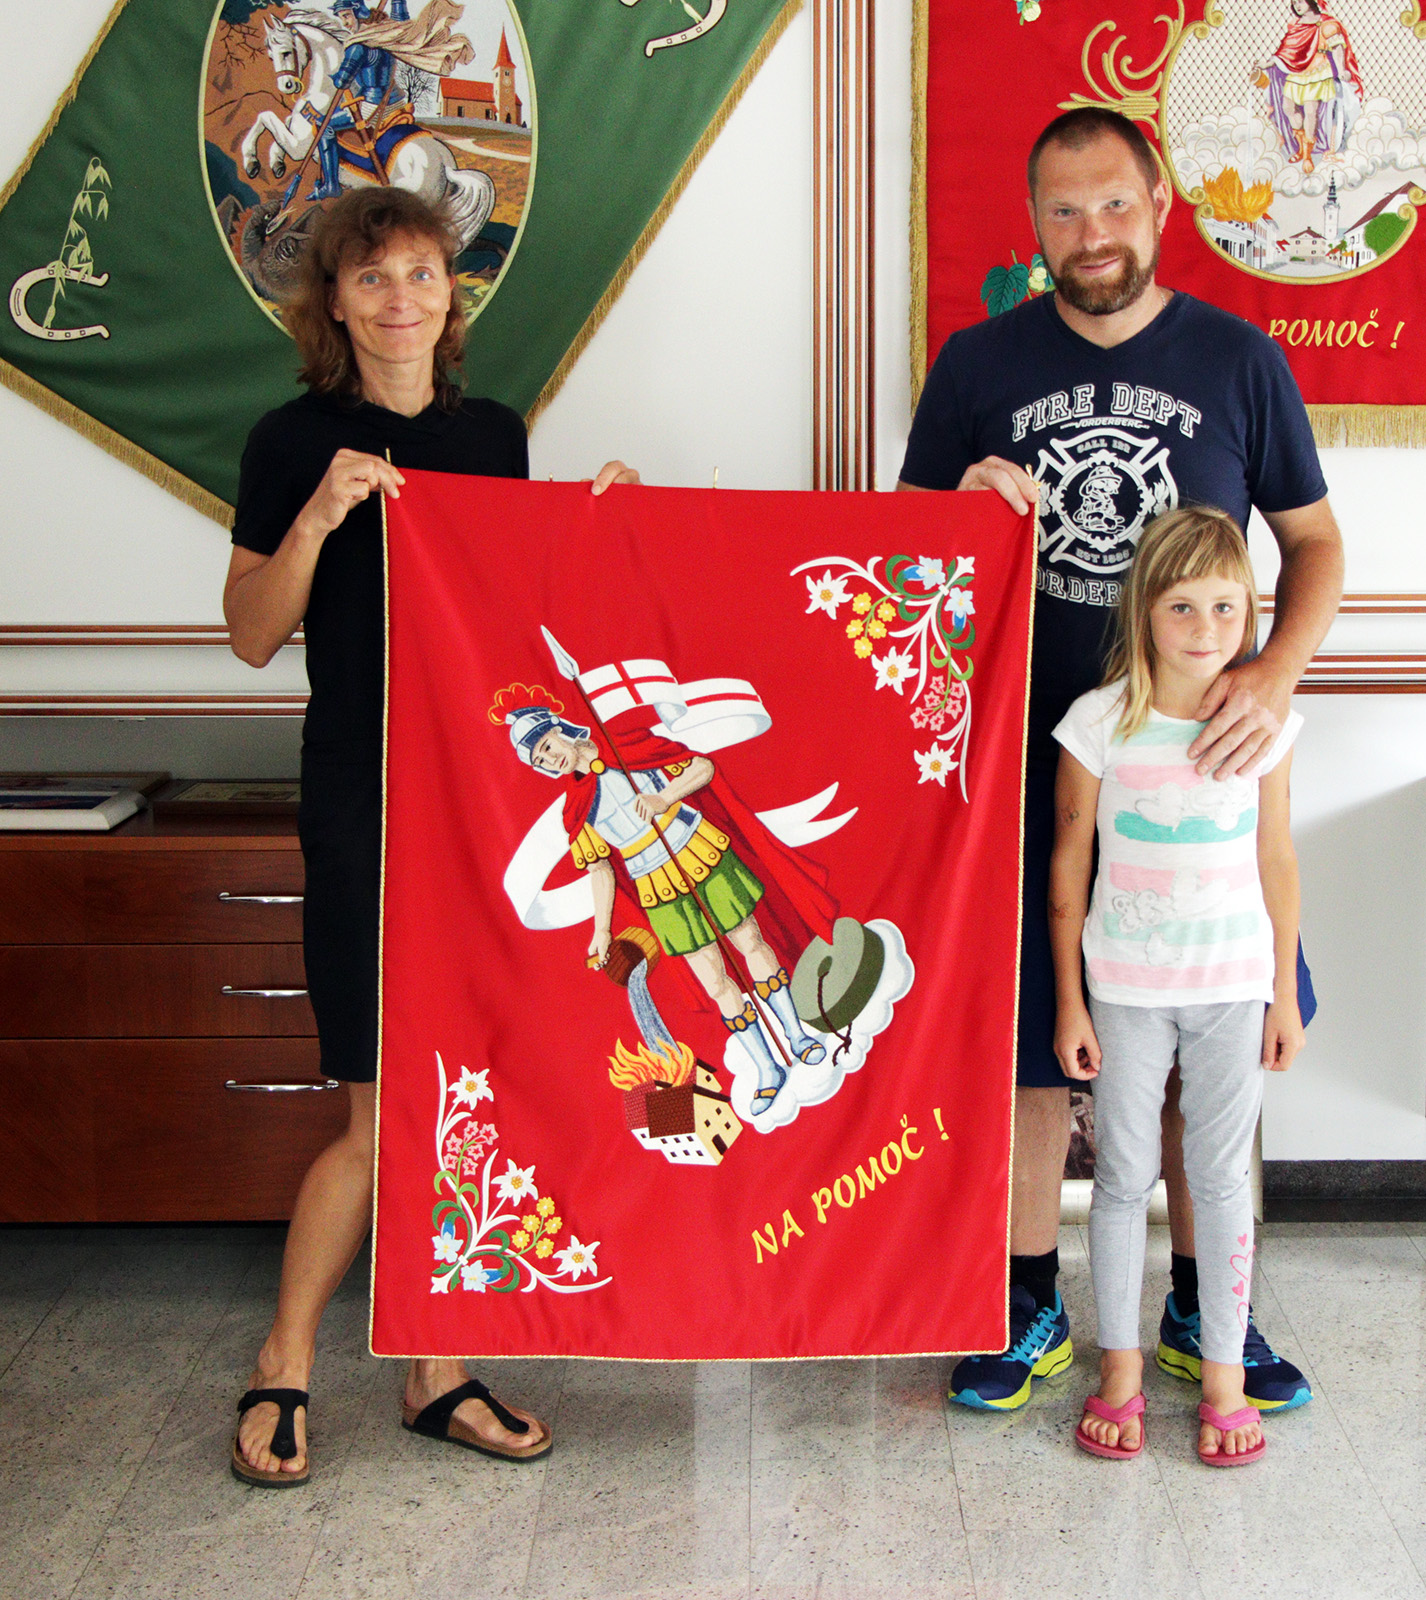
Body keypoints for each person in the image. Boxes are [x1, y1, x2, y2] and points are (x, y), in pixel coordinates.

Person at [898, 105, 1343, 1412]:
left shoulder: (1240, 359)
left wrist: (1273, 671)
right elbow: (900, 554)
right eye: (1061, 210)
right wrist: (955, 507)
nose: (1089, 233)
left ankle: (1209, 1310)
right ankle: (1025, 1299)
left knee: (1206, 1042)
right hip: (1022, 767)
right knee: (1034, 1044)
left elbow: (1314, 544)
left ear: (1158, 205)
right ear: (1032, 223)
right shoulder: (975, 362)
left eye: (1111, 204)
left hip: (1196, 774)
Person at [223, 186, 639, 1485]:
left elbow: (520, 622)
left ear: (451, 295)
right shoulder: (290, 440)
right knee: (377, 1105)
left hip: (476, 807)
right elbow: (250, 633)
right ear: (334, 304)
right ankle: (283, 1360)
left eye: (420, 273)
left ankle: (434, 1370)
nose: (399, 298)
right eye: (372, 278)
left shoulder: (493, 437)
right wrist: (318, 515)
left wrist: (599, 522)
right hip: (360, 799)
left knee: (466, 1088)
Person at [1051, 506, 1303, 1465]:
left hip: (1234, 988)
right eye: (1183, 607)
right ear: (1144, 609)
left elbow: (1277, 858)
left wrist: (1283, 994)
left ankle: (1223, 1375)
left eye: (1226, 608)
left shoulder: (1266, 729)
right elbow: (1069, 863)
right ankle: (1120, 1370)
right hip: (1124, 990)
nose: (1206, 628)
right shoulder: (1098, 724)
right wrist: (1070, 1000)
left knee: (1221, 1177)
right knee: (1122, 1177)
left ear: (1251, 612)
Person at [1259, 0, 1363, 175]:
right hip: (1297, 72)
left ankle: (1307, 155)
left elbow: (1338, 48)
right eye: (1294, 3)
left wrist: (1341, 70)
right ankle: (1301, 147)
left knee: (1310, 111)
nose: (1297, 6)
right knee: (1288, 107)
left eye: (1301, 1)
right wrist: (1268, 64)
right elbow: (1286, 51)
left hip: (1318, 71)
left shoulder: (1327, 24)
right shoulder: (1296, 25)